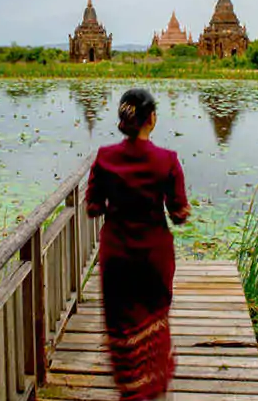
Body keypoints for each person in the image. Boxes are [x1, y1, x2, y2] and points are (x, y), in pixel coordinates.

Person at [85, 88, 191, 401]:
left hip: (117, 254)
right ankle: (152, 386)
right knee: (153, 317)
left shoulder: (104, 157)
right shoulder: (167, 160)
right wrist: (180, 210)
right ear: (151, 119)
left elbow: (93, 206)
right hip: (153, 256)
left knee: (122, 322)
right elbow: (178, 213)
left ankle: (130, 387)